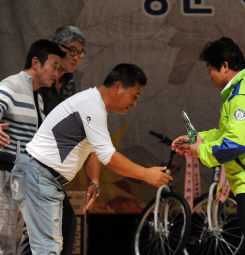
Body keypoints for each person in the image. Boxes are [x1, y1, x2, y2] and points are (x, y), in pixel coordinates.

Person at [10, 63, 172, 255]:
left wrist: (94, 182)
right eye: (134, 96)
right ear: (118, 86)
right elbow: (107, 156)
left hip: (37, 176)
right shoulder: (91, 104)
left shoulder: (94, 106)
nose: (134, 103)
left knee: (36, 249)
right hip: (37, 176)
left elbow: (94, 150)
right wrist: (145, 174)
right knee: (48, 249)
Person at [172, 37, 245, 255]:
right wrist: (198, 138)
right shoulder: (243, 88)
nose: (209, 75)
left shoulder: (243, 94)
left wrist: (201, 151)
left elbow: (235, 143)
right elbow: (228, 133)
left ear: (225, 66)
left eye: (210, 69)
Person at [18, 25, 92, 255]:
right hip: (25, 161)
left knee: (59, 225)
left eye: (81, 52)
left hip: (47, 167)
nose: (77, 57)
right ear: (57, 49)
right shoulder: (35, 79)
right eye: (73, 50)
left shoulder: (69, 82)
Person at [0, 39, 65, 255]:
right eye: (54, 66)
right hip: (4, 176)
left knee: (13, 244)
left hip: (20, 180)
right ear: (36, 63)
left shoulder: (35, 96)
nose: (57, 72)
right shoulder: (12, 85)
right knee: (5, 243)